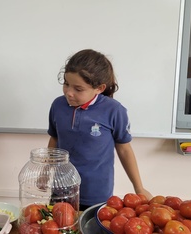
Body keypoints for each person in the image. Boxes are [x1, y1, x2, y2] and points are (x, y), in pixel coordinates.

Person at [47, 49, 152, 210]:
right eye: (66, 84)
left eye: (78, 89)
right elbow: (54, 139)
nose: (69, 92)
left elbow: (124, 150)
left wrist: (138, 187)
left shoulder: (114, 111)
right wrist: (46, 170)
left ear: (99, 88)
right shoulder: (58, 106)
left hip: (96, 193)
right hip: (61, 189)